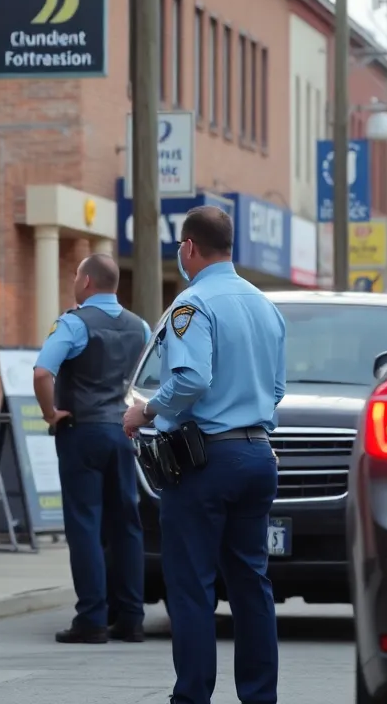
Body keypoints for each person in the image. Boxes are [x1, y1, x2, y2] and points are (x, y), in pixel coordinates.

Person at [121, 206, 285, 704]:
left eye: (180, 249)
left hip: (207, 462)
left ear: (189, 247)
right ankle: (259, 696)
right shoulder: (265, 305)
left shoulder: (191, 304)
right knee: (251, 582)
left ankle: (192, 696)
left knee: (192, 585)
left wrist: (147, 411)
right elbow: (276, 388)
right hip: (258, 454)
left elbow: (192, 378)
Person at [31, 253, 151, 645]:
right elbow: (149, 378)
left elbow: (42, 371)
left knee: (85, 525)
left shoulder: (73, 323)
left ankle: (92, 618)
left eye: (75, 275)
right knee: (127, 525)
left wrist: (51, 412)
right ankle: (132, 617)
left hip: (82, 430)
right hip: (125, 431)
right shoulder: (140, 327)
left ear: (86, 282)